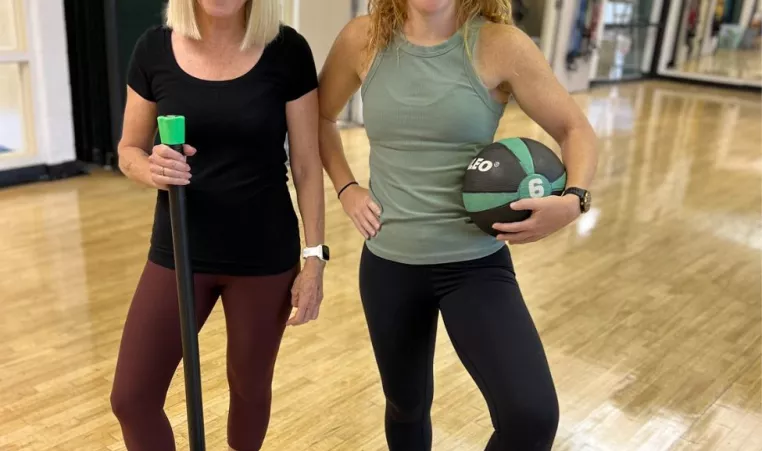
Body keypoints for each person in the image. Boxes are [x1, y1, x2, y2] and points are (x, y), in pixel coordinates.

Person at [318, 0, 598, 450]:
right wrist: (347, 187)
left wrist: (574, 199)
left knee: (531, 417)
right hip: (390, 264)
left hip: (475, 266)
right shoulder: (362, 39)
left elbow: (575, 129)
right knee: (406, 405)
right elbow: (321, 116)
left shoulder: (500, 45)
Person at [110, 0, 328, 450]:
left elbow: (307, 165)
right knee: (132, 397)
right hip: (180, 248)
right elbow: (128, 150)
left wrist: (314, 260)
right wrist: (153, 169)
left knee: (249, 391)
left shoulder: (287, 51)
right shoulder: (154, 49)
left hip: (263, 256)